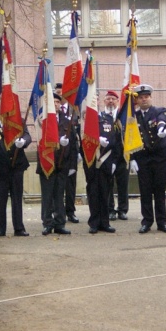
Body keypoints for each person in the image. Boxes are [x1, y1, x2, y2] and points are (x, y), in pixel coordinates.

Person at [131, 84, 166, 234]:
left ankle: (162, 222)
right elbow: (130, 137)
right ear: (138, 100)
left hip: (160, 157)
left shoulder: (159, 111)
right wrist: (132, 158)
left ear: (150, 98)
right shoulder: (133, 116)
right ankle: (147, 221)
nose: (144, 100)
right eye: (141, 98)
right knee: (145, 191)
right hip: (143, 157)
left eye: (146, 97)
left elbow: (162, 119)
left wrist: (161, 128)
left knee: (160, 191)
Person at [0, 120, 31, 237]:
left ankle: (19, 228)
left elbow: (27, 136)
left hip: (16, 167)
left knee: (17, 199)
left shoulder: (18, 121)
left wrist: (23, 141)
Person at [37, 92, 73, 236]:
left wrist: (72, 165)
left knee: (59, 195)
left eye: (58, 102)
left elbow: (73, 144)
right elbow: (42, 141)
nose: (56, 104)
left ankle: (60, 223)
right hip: (47, 163)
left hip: (62, 164)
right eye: (53, 102)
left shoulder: (67, 120)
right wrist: (58, 142)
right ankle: (47, 223)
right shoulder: (42, 120)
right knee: (47, 196)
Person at [84, 104, 119, 234]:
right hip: (92, 161)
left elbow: (114, 140)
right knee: (93, 193)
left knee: (105, 193)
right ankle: (94, 223)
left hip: (106, 160)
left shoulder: (108, 119)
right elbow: (82, 140)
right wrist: (96, 140)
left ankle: (105, 222)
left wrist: (115, 161)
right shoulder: (86, 120)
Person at [54, 83, 80, 224]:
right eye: (58, 93)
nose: (61, 95)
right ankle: (57, 212)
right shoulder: (51, 112)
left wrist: (78, 153)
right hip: (56, 155)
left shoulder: (74, 109)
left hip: (71, 153)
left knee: (71, 185)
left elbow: (77, 133)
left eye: (62, 93)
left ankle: (71, 211)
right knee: (57, 187)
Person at [102, 90, 128, 220]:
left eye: (113, 98)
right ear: (104, 101)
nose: (111, 101)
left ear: (118, 101)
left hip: (123, 156)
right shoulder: (100, 116)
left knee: (123, 184)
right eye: (108, 99)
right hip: (107, 156)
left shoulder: (123, 116)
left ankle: (122, 209)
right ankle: (110, 209)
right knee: (108, 184)